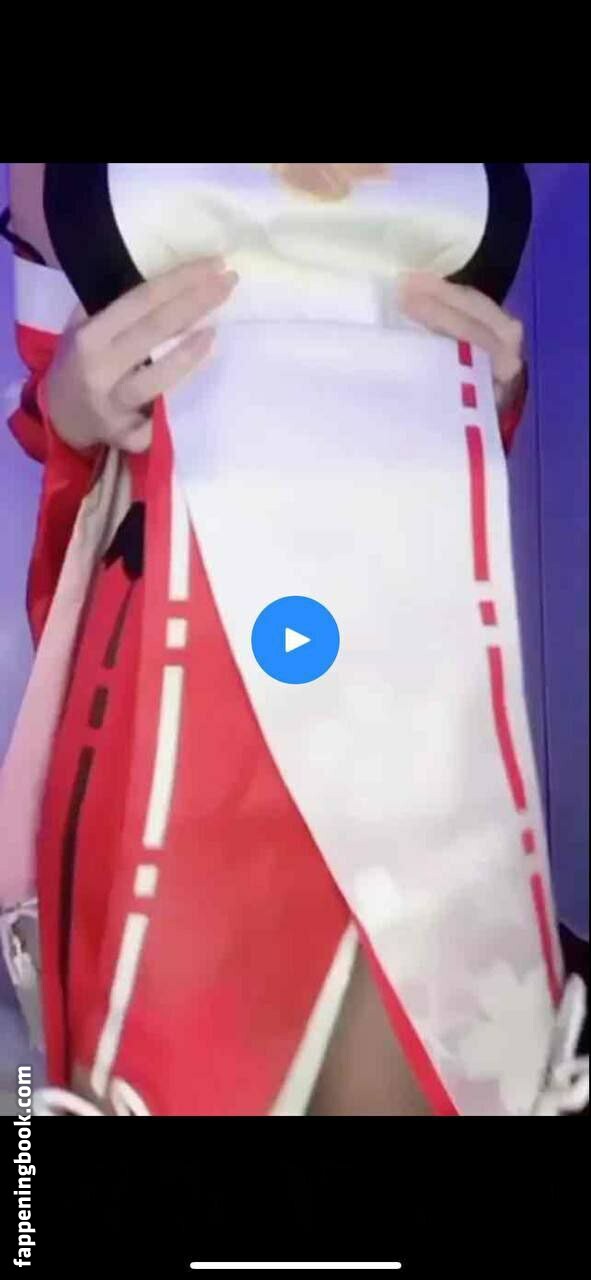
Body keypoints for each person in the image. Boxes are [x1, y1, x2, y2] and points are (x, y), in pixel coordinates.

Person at [1, 163, 587, 1117]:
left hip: (421, 678)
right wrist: (68, 405)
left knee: (437, 1072)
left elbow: (461, 361)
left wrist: (496, 388)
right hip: (183, 691)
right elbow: (49, 395)